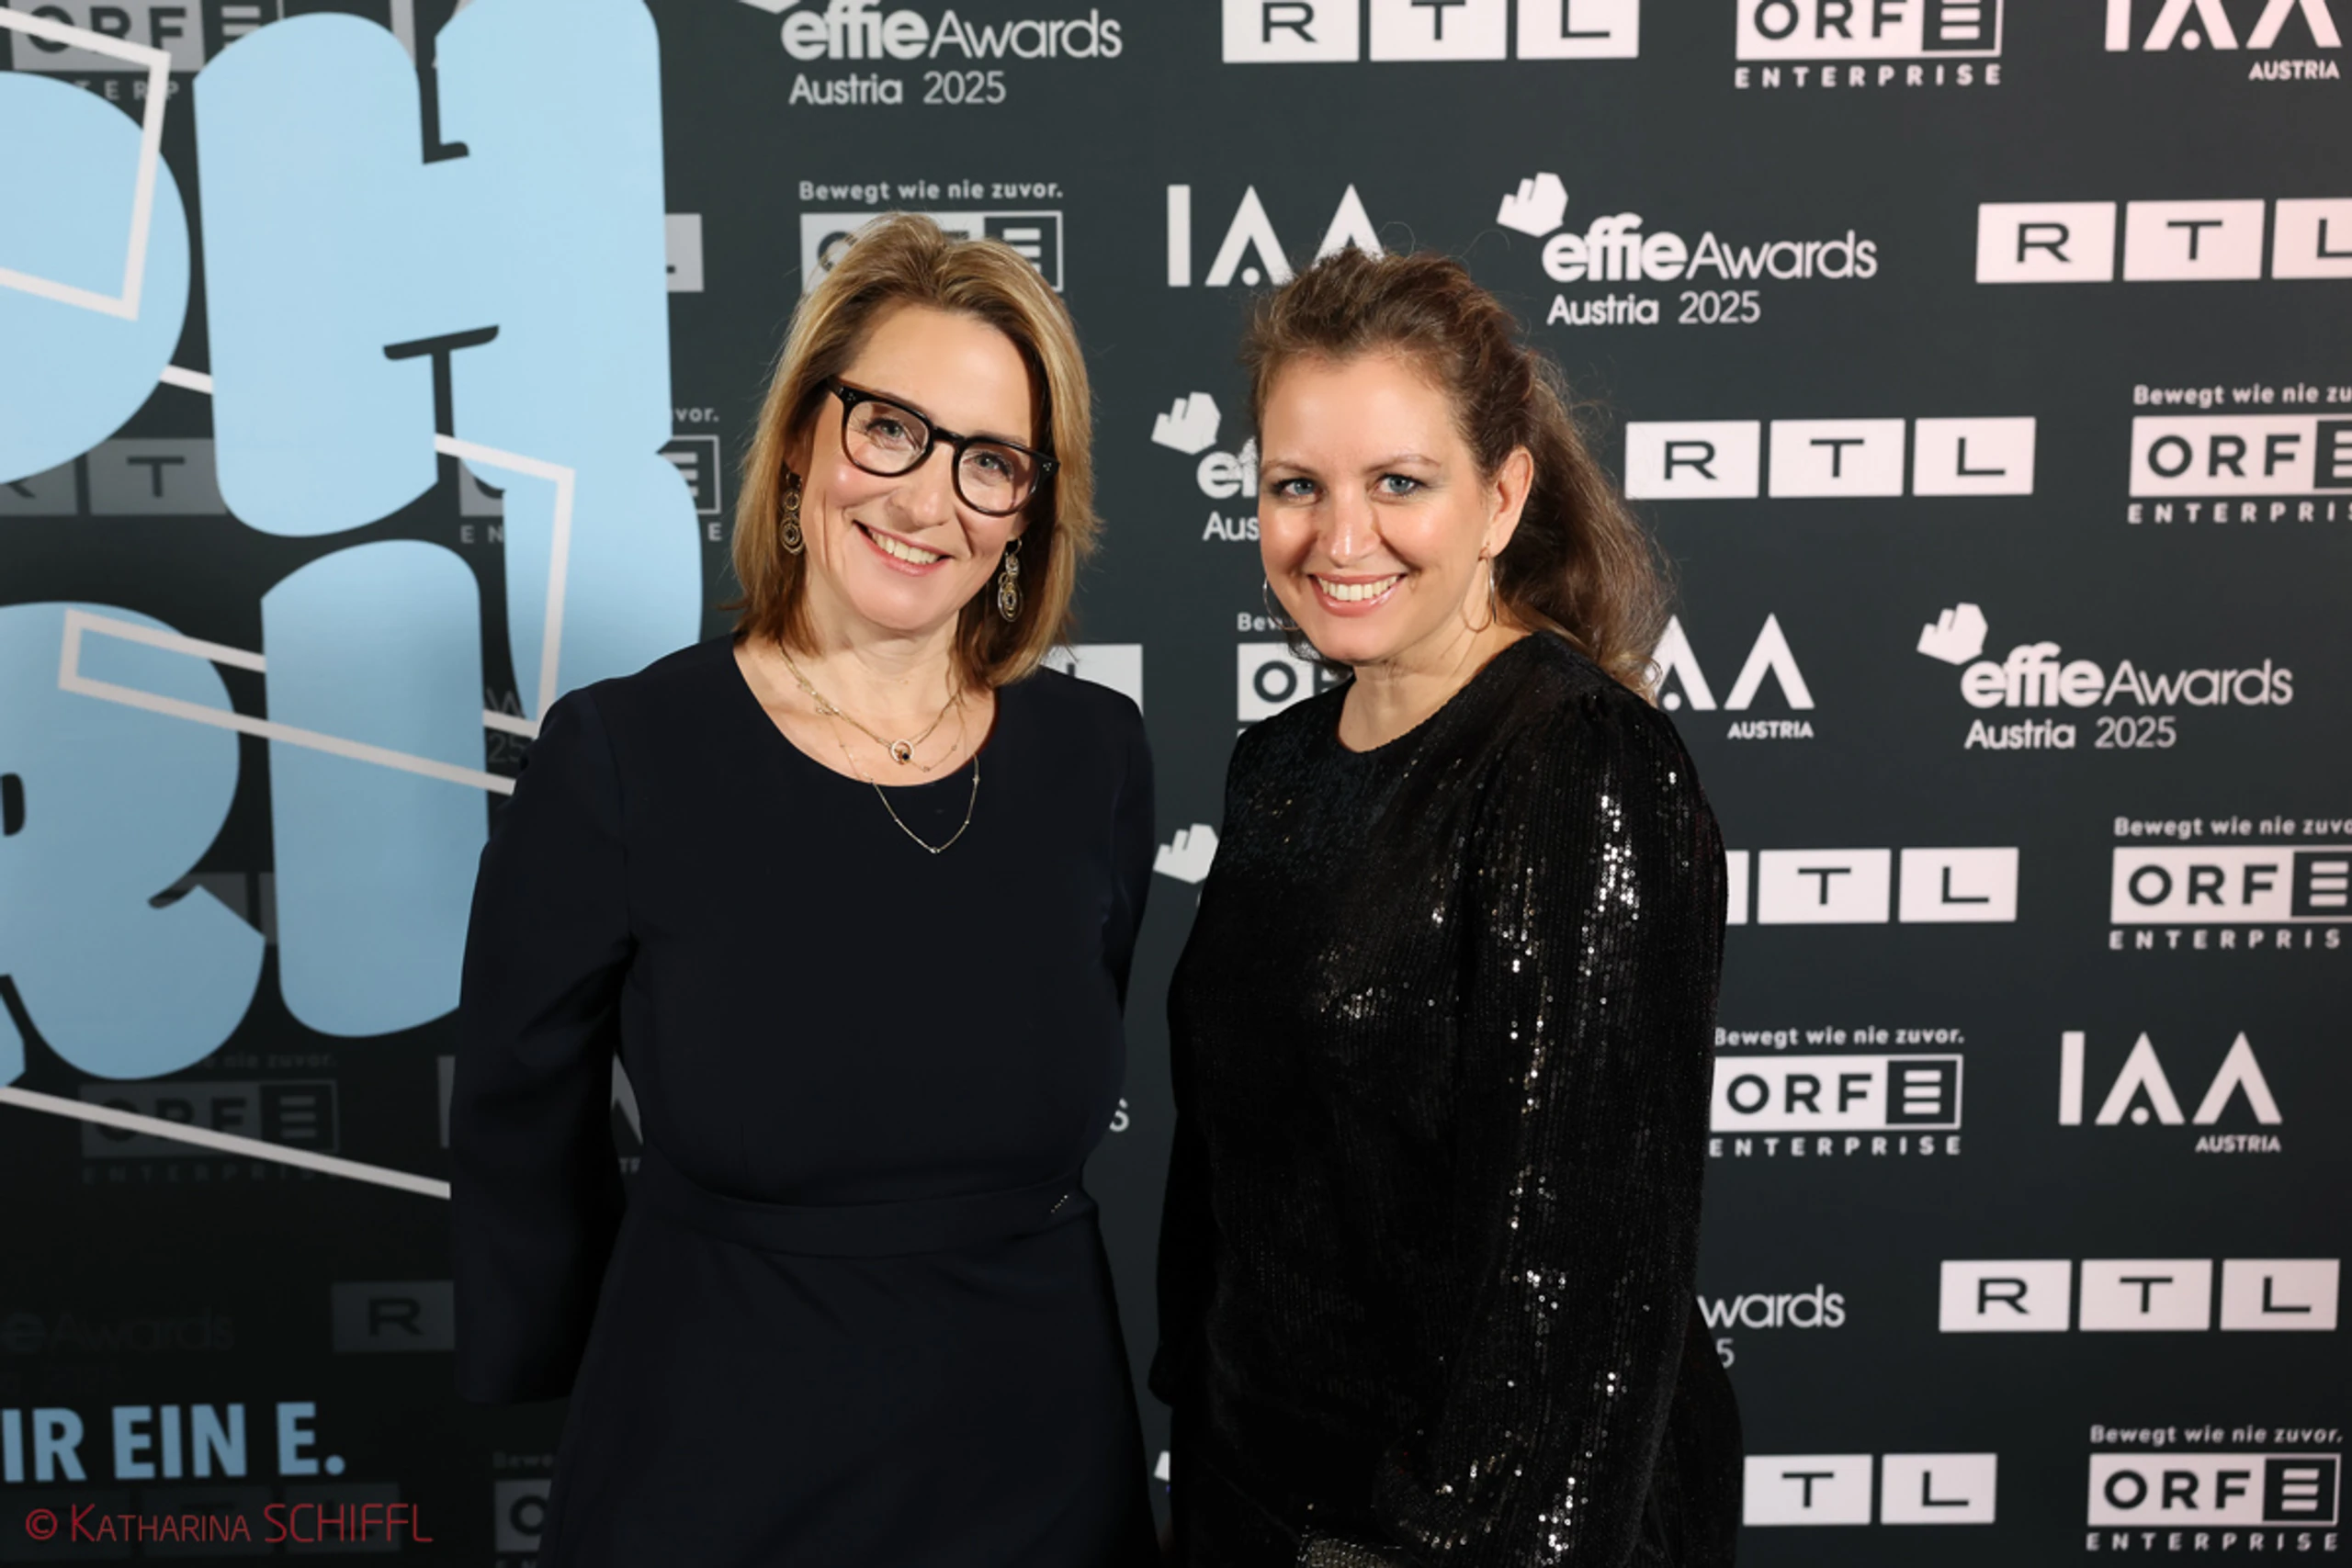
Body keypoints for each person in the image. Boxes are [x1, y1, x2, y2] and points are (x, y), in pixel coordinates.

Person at [450, 215, 1159, 1566]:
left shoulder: (1095, 755)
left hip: (1044, 1462)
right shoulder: (625, 753)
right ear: (798, 441)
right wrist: (547, 1353)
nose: (928, 500)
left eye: (990, 461)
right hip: (720, 1456)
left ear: (1029, 509)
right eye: (890, 429)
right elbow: (517, 1105)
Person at [1153, 247, 1741, 1566]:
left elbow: (1580, 1300)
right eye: (1296, 486)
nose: (1339, 537)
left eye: (1399, 483)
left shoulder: (1581, 767)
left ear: (1502, 496)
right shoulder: (1279, 766)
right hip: (1254, 1499)